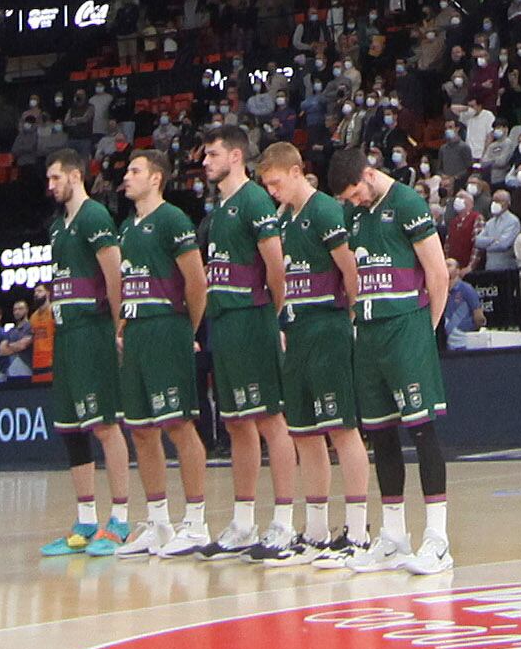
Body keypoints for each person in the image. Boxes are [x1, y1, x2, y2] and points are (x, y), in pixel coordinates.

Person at [330, 140, 454, 573]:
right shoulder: (354, 214)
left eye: (353, 195)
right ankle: (394, 536)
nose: (353, 203)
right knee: (381, 435)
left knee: (421, 431)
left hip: (406, 330)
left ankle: (437, 539)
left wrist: (426, 330)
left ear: (367, 174)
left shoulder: (406, 202)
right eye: (346, 201)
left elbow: (438, 275)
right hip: (369, 333)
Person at [256, 135, 379, 565]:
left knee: (342, 427)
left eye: (275, 182)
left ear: (295, 172)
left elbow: (352, 271)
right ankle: (316, 530)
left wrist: (350, 323)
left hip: (329, 326)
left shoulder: (326, 209)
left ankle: (359, 530)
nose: (272, 191)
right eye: (266, 186)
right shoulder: (283, 218)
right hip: (299, 330)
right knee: (304, 432)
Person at [192, 125, 293, 559]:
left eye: (212, 154)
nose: (204, 161)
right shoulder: (219, 210)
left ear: (236, 156)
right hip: (224, 322)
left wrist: (269, 314)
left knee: (271, 420)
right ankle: (243, 521)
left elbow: (277, 268)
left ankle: (285, 524)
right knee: (236, 422)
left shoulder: (253, 199)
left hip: (252, 319)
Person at [36, 151, 138, 557]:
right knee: (71, 428)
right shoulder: (58, 228)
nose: (50, 185)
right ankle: (84, 521)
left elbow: (114, 274)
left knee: (106, 424)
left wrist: (119, 327)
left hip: (94, 330)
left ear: (76, 176)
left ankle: (120, 519)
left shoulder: (94, 217)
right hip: (67, 333)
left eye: (55, 177)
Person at [113, 147, 213, 559]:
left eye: (135, 171)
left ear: (156, 178)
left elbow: (197, 282)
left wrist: (184, 327)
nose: (127, 177)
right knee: (139, 428)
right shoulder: (126, 227)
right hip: (136, 332)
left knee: (178, 425)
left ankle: (197, 521)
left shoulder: (172, 219)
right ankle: (158, 521)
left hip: (166, 328)